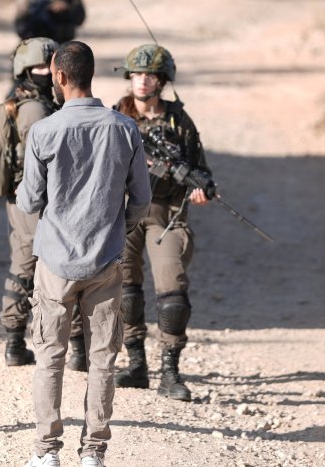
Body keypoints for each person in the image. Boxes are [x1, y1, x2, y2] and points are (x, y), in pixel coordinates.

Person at [16, 41, 151, 467]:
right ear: (92, 75)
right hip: (107, 261)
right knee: (103, 360)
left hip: (56, 263)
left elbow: (30, 201)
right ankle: (93, 453)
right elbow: (142, 200)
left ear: (58, 76)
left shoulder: (44, 131)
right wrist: (118, 229)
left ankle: (46, 452)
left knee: (49, 358)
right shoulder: (124, 128)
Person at [111, 44, 211, 402]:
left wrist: (199, 187)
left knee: (172, 292)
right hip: (123, 214)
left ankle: (170, 371)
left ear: (162, 80)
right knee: (125, 289)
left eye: (149, 74)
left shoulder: (178, 121)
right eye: (136, 74)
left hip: (166, 214)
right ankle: (136, 363)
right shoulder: (116, 116)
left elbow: (200, 169)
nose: (142, 81)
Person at [0, 37, 59, 367]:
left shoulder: (39, 101)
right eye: (38, 68)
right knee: (27, 263)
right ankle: (14, 339)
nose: (45, 73)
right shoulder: (33, 108)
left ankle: (19, 340)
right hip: (31, 197)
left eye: (49, 67)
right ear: (24, 70)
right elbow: (40, 159)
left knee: (28, 260)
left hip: (33, 195)